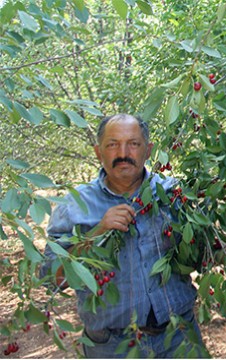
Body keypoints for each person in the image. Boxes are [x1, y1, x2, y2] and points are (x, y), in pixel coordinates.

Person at [41, 114, 206, 358]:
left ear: (148, 150)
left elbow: (198, 252)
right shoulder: (75, 205)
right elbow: (52, 278)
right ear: (98, 152)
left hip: (179, 339)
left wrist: (223, 249)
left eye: (133, 143)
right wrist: (97, 233)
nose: (123, 152)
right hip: (111, 347)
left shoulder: (173, 194)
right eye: (112, 144)